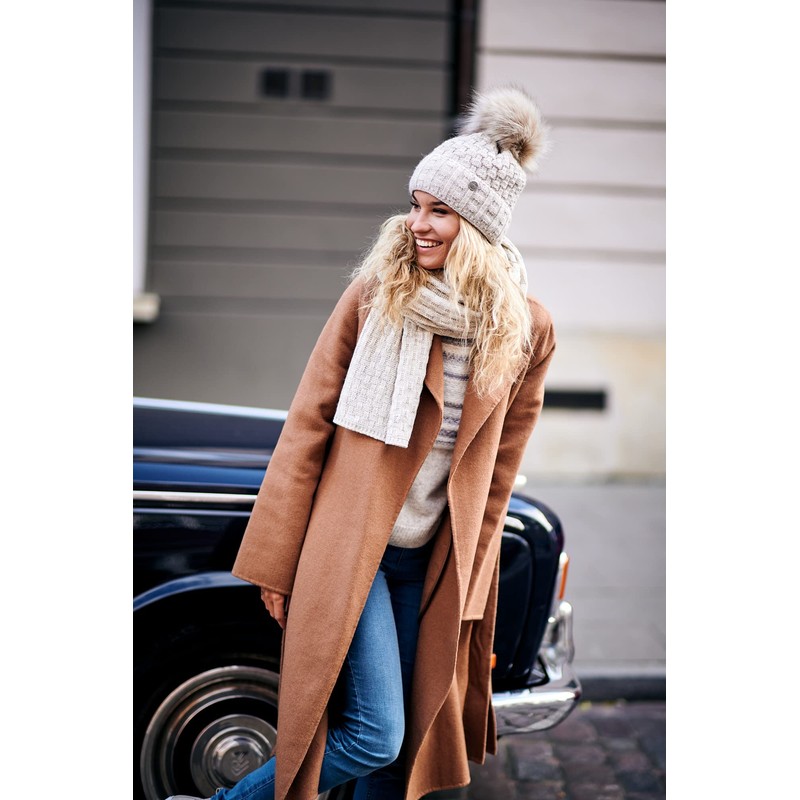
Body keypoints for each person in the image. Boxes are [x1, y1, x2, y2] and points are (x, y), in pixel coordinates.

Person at [166, 84, 556, 800]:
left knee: (399, 757)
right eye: (415, 204)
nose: (417, 224)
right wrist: (277, 561)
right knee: (375, 731)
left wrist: (472, 588)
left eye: (439, 211)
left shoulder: (525, 328)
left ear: (479, 225)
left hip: (431, 560)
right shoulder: (379, 297)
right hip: (353, 549)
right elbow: (307, 425)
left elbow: (500, 471)